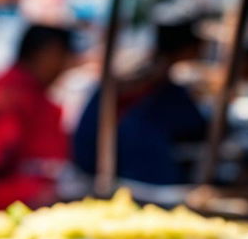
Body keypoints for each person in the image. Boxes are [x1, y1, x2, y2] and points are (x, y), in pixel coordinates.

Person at [73, 18, 207, 187]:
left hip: (110, 163)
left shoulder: (151, 74)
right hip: (111, 168)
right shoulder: (151, 79)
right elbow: (195, 124)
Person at [0, 24, 74, 212]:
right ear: (48, 53)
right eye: (62, 57)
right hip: (2, 204)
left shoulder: (32, 93)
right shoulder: (13, 94)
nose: (64, 67)